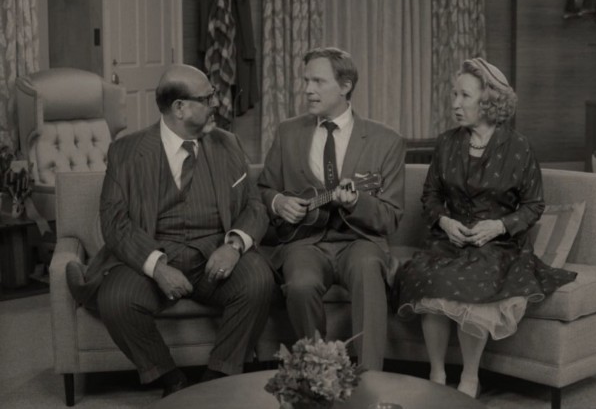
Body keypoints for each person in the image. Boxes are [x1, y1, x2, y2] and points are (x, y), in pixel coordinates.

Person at [66, 64, 275, 397]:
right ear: (179, 108)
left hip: (214, 253)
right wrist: (157, 266)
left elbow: (254, 206)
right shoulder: (126, 152)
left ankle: (217, 375)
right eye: (207, 98)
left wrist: (234, 246)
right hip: (153, 253)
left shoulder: (228, 143)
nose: (216, 104)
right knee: (116, 299)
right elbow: (115, 222)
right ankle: (170, 379)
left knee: (258, 280)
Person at [395, 58, 577, 398]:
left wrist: (499, 226)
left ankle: (469, 377)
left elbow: (534, 205)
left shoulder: (519, 147)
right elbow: (430, 195)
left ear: (489, 100)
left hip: (498, 245)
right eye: (454, 94)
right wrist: (445, 221)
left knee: (474, 284)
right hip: (448, 241)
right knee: (430, 279)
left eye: (464, 95)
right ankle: (436, 375)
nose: (455, 103)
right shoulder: (446, 142)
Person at [257, 47, 405, 371]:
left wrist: (357, 202)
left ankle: (370, 374)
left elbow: (391, 216)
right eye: (306, 81)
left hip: (360, 241)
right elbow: (263, 189)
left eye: (318, 82)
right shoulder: (287, 132)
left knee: (369, 270)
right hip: (304, 243)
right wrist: (279, 202)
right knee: (300, 284)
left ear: (345, 86)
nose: (308, 89)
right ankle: (317, 372)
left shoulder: (386, 141)